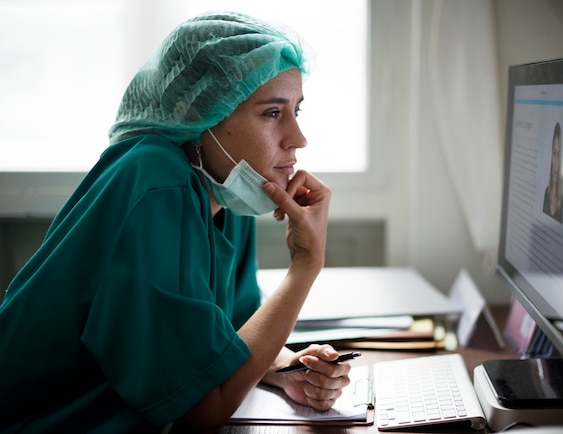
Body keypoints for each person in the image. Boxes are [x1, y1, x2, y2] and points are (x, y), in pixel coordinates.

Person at [0, 12, 350, 433]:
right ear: (198, 114)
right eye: (272, 113)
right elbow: (204, 410)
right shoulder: (157, 181)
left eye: (297, 110)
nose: (298, 138)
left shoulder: (227, 188)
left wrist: (286, 365)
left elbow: (231, 334)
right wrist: (306, 265)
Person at [543, 122, 563, 223]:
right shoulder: (546, 193)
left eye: (559, 155)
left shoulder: (562, 202)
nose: (556, 164)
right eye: (554, 153)